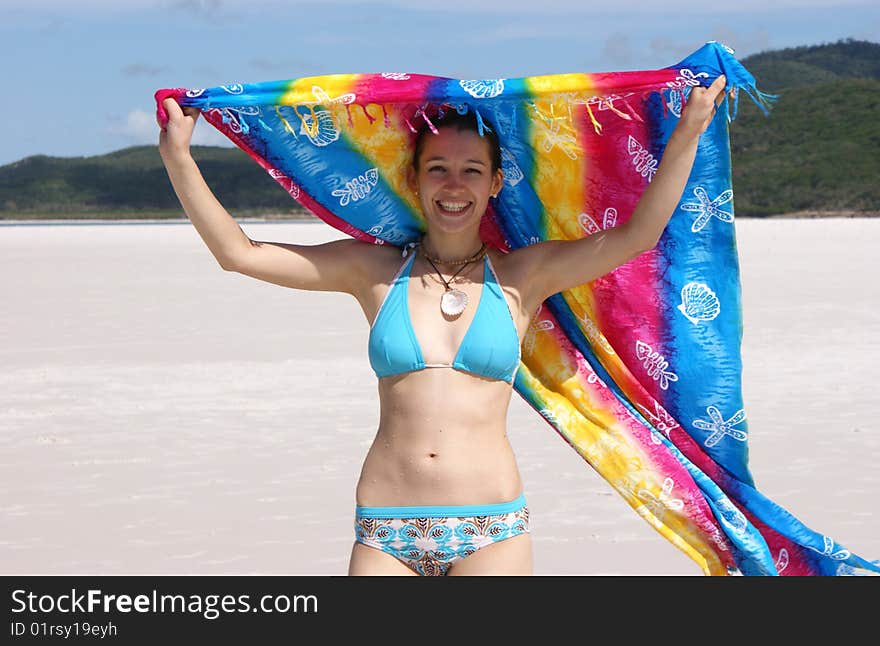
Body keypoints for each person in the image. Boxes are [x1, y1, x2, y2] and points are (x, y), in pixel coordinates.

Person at [157, 74, 728, 576]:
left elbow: (636, 237)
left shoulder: (524, 277)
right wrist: (179, 157)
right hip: (385, 529)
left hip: (491, 530)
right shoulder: (374, 270)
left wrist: (687, 133)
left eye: (471, 171)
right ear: (415, 180)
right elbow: (241, 253)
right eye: (439, 169)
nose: (454, 185)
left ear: (495, 183)